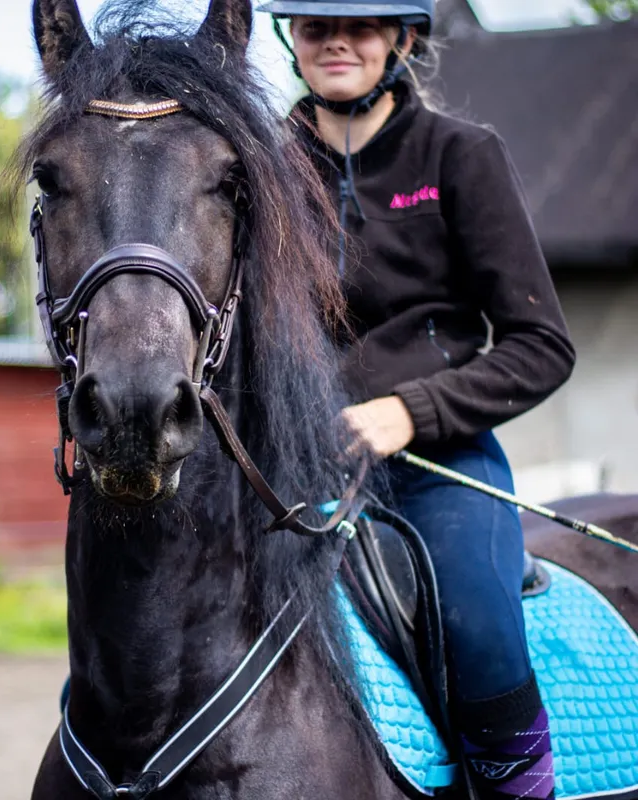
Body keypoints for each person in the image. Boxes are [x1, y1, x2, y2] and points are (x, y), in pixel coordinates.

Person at [257, 1, 576, 798]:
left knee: (479, 622)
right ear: (289, 37)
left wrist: (410, 413)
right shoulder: (257, 165)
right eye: (315, 25)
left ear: (403, 38)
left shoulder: (461, 155)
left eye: (362, 25)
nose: (337, 41)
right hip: (286, 466)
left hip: (436, 462)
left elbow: (543, 347)